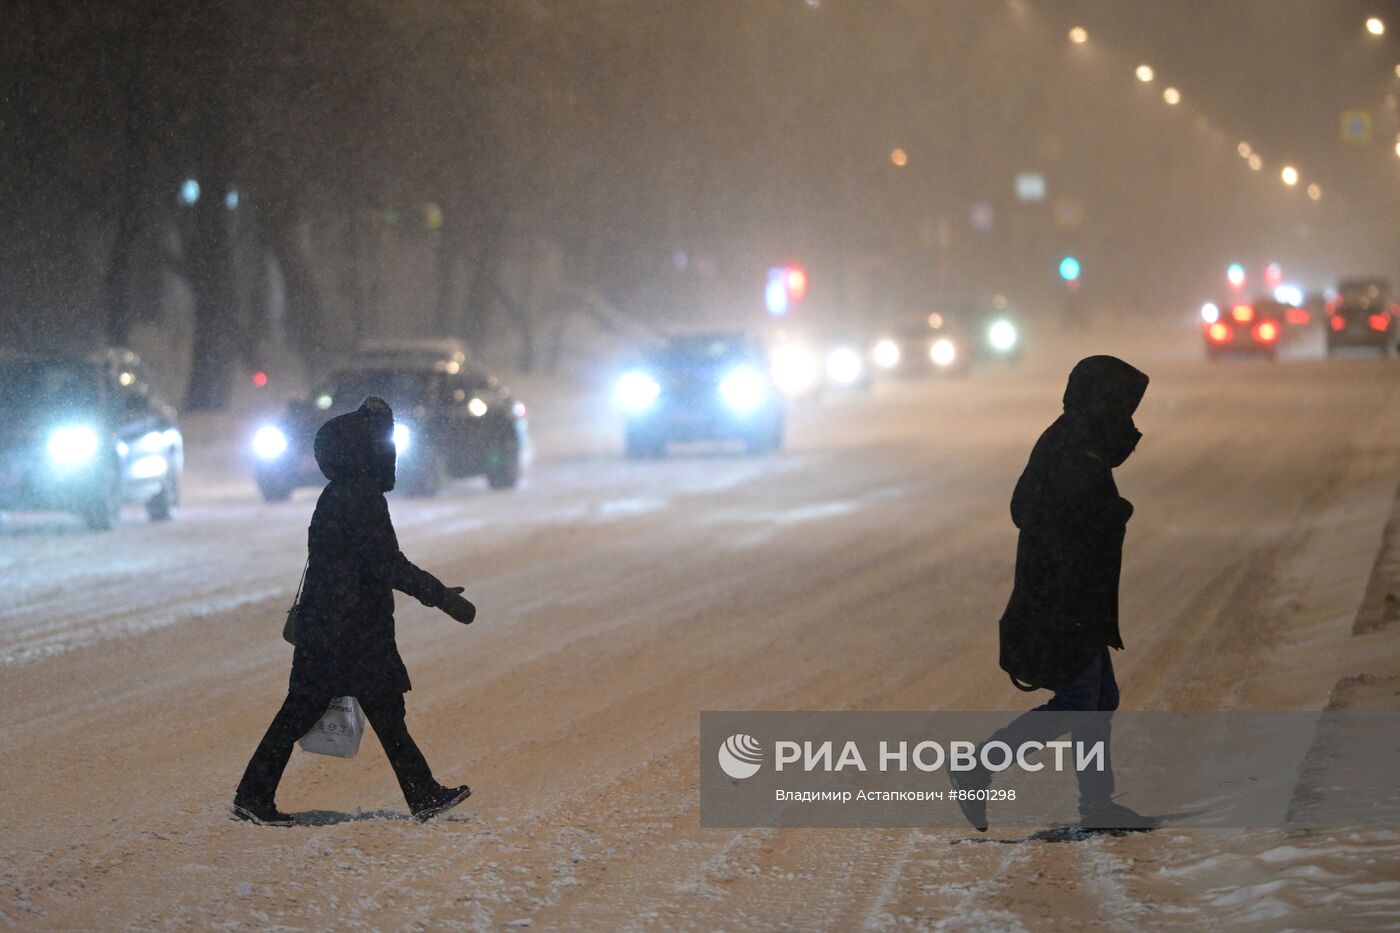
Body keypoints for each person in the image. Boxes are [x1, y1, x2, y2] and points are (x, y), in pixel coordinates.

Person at [233, 396, 478, 826]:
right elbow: (386, 563)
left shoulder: (340, 492)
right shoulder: (360, 497)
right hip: (351, 629)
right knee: (332, 711)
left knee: (366, 712)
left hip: (332, 625)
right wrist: (440, 596)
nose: (391, 453)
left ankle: (422, 793)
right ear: (367, 449)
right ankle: (253, 795)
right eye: (385, 444)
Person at [952, 356, 1153, 832]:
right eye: (1122, 408)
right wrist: (1108, 514)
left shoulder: (1074, 441)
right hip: (1063, 599)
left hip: (1072, 596)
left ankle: (1096, 804)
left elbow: (1031, 507)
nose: (1127, 421)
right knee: (1082, 700)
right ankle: (978, 766)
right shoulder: (1072, 449)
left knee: (1098, 699)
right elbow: (1046, 514)